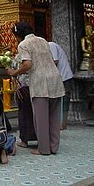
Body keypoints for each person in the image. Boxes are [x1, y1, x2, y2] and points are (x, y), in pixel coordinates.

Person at [7, 22, 65, 155]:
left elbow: (27, 64)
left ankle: (43, 149)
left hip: (40, 82)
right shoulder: (43, 40)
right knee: (54, 117)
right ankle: (54, 147)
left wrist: (14, 72)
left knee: (41, 118)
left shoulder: (23, 44)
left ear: (18, 35)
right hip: (55, 78)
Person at [12, 53, 37, 148]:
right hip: (36, 85)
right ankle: (40, 137)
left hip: (24, 86)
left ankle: (25, 140)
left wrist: (13, 72)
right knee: (35, 112)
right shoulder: (35, 54)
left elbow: (14, 67)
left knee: (24, 113)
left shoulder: (20, 55)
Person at [49, 42, 74, 130]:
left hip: (63, 77)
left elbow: (55, 61)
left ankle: (62, 124)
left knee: (64, 101)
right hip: (58, 78)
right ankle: (60, 123)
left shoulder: (50, 45)